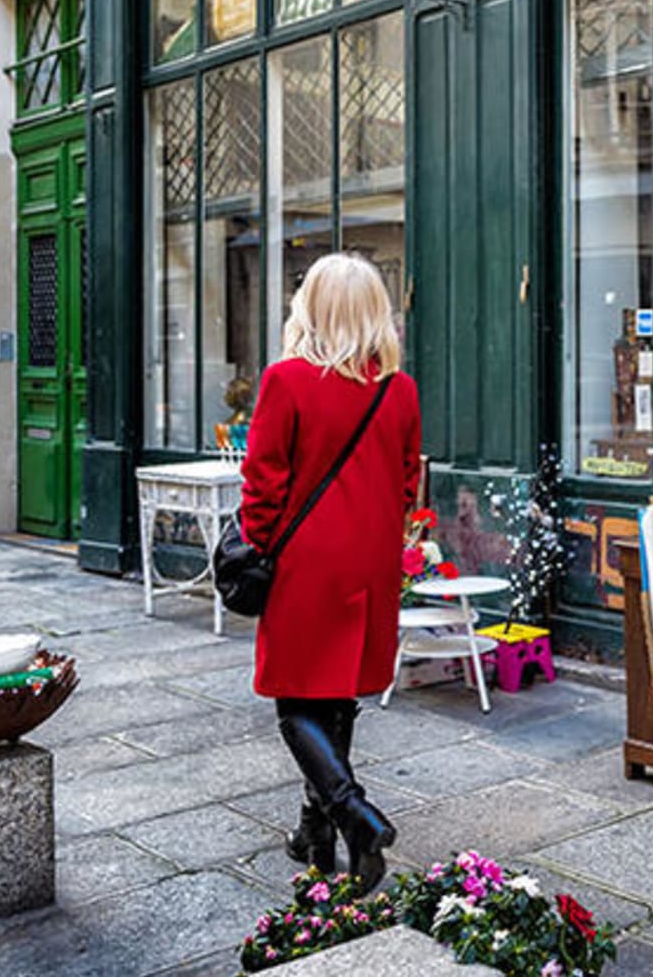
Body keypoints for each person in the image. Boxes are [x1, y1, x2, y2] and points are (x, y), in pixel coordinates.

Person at [239, 253, 422, 893]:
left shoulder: (286, 381)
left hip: (306, 560)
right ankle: (313, 831)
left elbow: (263, 483)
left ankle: (354, 812)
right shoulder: (398, 390)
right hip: (369, 558)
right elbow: (407, 480)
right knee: (336, 696)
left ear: (310, 308)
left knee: (296, 703)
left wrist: (254, 547)